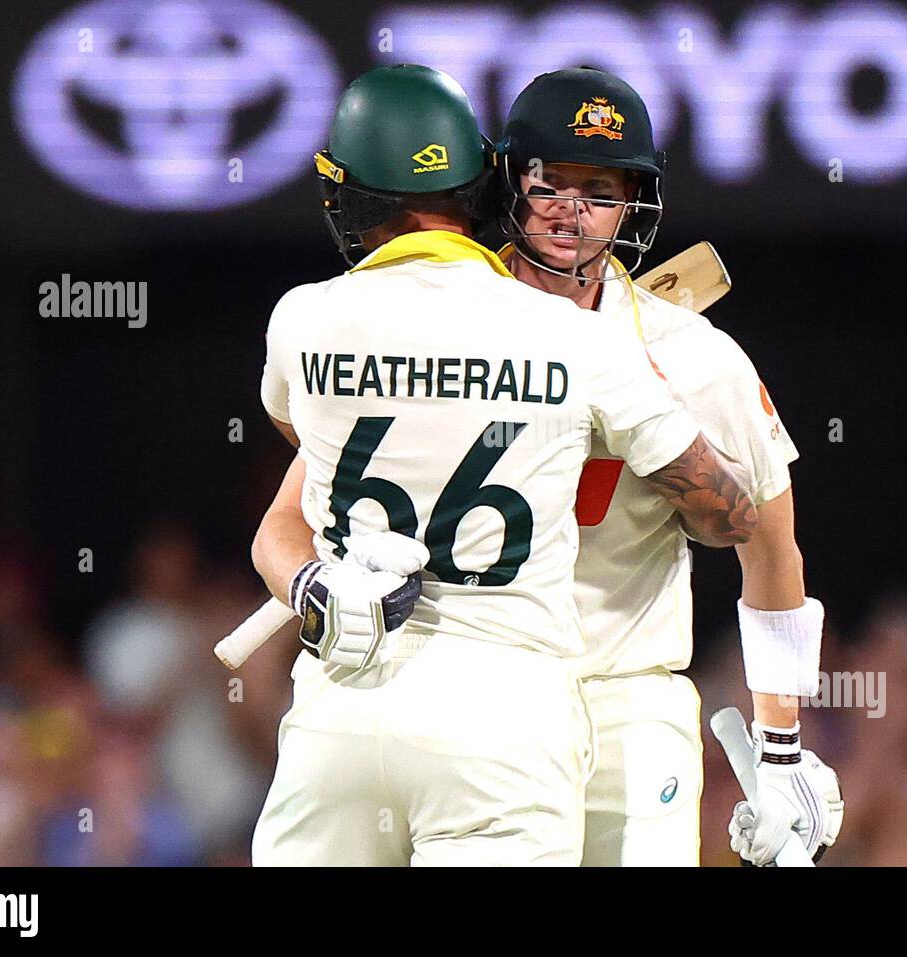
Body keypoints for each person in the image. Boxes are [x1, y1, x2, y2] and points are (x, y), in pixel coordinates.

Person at [248, 64, 757, 866]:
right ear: (489, 185)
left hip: (339, 705)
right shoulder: (577, 338)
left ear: (347, 197)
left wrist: (315, 582)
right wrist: (635, 411)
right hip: (502, 715)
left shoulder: (301, 319)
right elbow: (732, 516)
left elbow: (301, 443)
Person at [493, 67, 843, 866]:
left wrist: (781, 744)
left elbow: (772, 547)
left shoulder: (693, 358)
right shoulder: (443, 332)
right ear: (511, 181)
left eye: (601, 190)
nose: (572, 213)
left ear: (633, 203)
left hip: (628, 701)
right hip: (485, 696)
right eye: (552, 182)